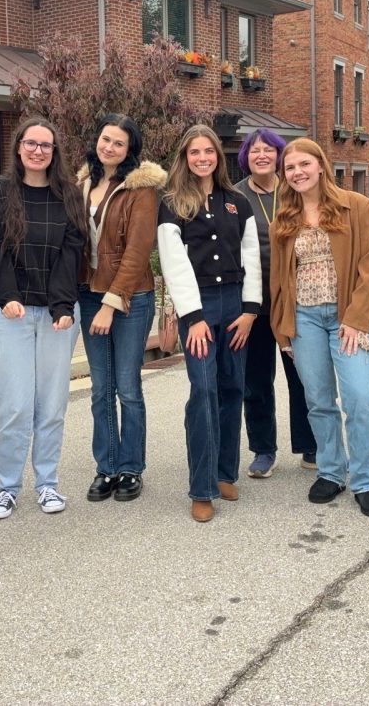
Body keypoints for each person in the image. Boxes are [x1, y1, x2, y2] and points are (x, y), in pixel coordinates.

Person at [0, 117, 86, 520]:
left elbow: (71, 254)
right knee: (15, 405)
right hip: (12, 312)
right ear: (18, 147)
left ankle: (47, 484)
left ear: (55, 152)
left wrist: (61, 306)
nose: (38, 151)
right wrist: (7, 296)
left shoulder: (69, 195)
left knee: (53, 404)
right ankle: (6, 487)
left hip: (57, 313)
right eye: (31, 143)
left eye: (47, 145)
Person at [270, 139, 369, 517]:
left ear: (321, 165)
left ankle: (366, 480)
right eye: (290, 168)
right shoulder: (284, 218)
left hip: (346, 319)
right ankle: (332, 472)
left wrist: (356, 319)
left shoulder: (357, 206)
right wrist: (282, 328)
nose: (297, 172)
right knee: (318, 400)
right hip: (303, 319)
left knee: (359, 400)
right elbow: (278, 279)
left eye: (304, 164)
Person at [157, 124, 261, 523]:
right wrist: (194, 318)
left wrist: (251, 311)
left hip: (235, 305)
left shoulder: (238, 201)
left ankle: (224, 472)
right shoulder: (172, 203)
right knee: (204, 390)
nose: (202, 158)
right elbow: (173, 261)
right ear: (184, 157)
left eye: (209, 152)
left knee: (232, 387)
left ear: (219, 156)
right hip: (197, 305)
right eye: (194, 152)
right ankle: (201, 487)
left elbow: (251, 256)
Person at [76, 114, 165, 504]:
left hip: (130, 298)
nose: (108, 147)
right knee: (100, 389)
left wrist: (111, 304)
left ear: (130, 151)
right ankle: (106, 466)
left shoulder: (140, 189)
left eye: (118, 143)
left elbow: (137, 251)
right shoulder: (81, 183)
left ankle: (131, 467)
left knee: (127, 387)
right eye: (105, 139)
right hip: (87, 294)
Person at [234, 128, 316, 478]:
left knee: (304, 376)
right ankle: (264, 450)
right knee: (255, 381)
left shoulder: (296, 190)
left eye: (269, 150)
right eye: (255, 151)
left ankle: (311, 445)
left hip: (295, 301)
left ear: (279, 156)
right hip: (252, 304)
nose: (262, 156)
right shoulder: (235, 196)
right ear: (246, 158)